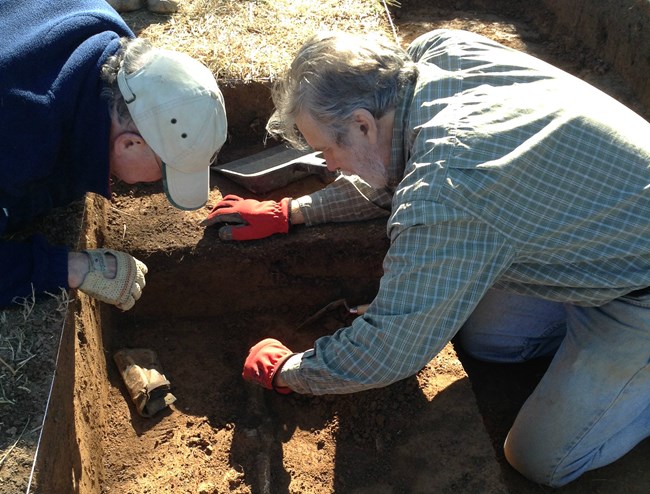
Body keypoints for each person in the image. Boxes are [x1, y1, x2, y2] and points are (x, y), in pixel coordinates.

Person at [203, 29, 650, 487]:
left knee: (539, 460)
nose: (331, 166)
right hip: (596, 224)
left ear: (361, 124)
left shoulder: (452, 185)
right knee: (487, 341)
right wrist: (293, 212)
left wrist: (292, 372)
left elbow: (390, 351)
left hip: (640, 289)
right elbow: (395, 167)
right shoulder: (432, 57)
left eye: (327, 151)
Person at [1, 0, 227, 310]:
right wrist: (67, 268)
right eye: (164, 171)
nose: (159, 184)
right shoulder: (23, 132)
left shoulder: (108, 34)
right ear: (129, 144)